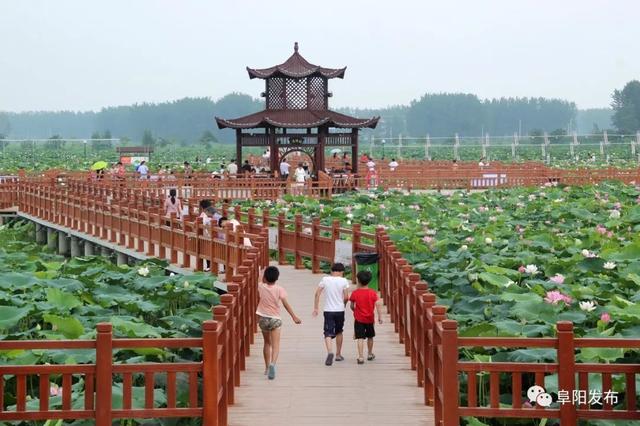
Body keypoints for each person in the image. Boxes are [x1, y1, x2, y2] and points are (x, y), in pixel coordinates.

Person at [257, 266, 302, 380]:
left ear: (265, 278)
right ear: (277, 278)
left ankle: (267, 368)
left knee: (267, 343)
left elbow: (259, 279)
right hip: (275, 319)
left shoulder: (261, 287)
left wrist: (261, 272)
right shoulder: (279, 289)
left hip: (263, 318)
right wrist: (294, 316)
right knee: (276, 345)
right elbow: (285, 304)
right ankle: (273, 364)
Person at [312, 263, 350, 366]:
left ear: (331, 271)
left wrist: (316, 308)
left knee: (327, 332)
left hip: (328, 310)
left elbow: (317, 294)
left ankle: (330, 352)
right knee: (339, 331)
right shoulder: (344, 281)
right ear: (342, 272)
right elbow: (346, 297)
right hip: (339, 310)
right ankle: (338, 355)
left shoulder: (325, 279)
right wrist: (344, 305)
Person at [349, 270, 383, 364]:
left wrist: (355, 310)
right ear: (369, 281)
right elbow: (378, 305)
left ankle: (360, 357)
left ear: (358, 281)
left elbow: (352, 305)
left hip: (359, 319)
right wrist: (380, 316)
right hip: (370, 319)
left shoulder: (355, 293)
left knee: (360, 338)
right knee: (370, 336)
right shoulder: (372, 293)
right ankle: (370, 353)